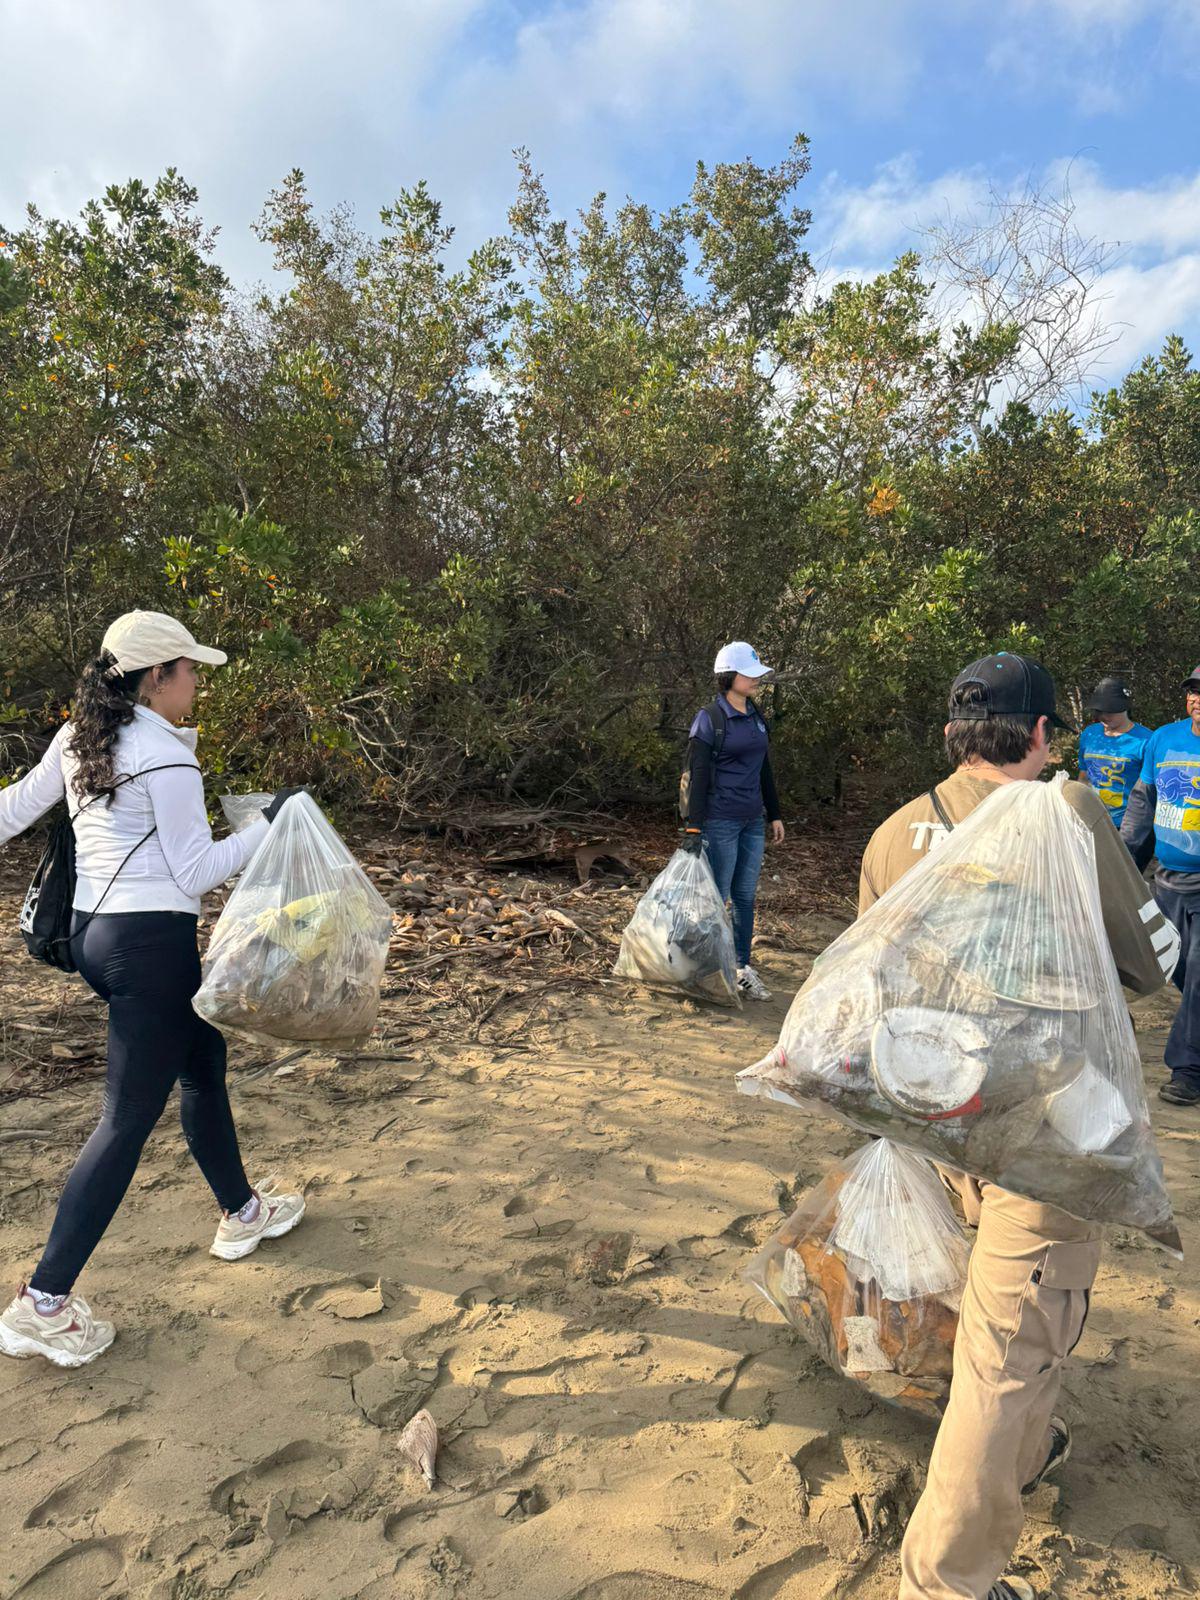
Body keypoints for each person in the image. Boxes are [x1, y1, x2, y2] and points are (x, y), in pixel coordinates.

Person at [858, 651, 1178, 1600]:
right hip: (1048, 1131)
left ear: (955, 737)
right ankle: (946, 1580)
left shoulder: (891, 834)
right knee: (1014, 1341)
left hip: (944, 1123)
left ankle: (1026, 1456)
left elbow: (872, 991)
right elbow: (1149, 964)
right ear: (1043, 735)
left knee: (1009, 1316)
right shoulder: (1068, 815)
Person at [0, 611, 306, 1369]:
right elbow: (197, 871)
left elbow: (11, 810)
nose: (198, 682)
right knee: (127, 1118)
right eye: (190, 669)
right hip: (150, 949)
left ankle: (241, 1211)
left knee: (200, 1059)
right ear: (156, 677)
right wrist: (274, 820)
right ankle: (43, 1302)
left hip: (96, 941)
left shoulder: (80, 736)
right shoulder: (166, 757)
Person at [680, 641, 785, 1001]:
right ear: (729, 677)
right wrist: (694, 827)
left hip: (751, 821)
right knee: (717, 897)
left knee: (744, 897)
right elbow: (698, 775)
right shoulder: (710, 719)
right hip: (719, 821)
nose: (757, 680)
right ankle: (707, 970)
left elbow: (764, 769)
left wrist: (775, 813)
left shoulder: (755, 715)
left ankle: (741, 967)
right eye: (749, 674)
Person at [1121, 663, 1200, 1106]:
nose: (1197, 699)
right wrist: (1118, 861)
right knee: (1178, 970)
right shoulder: (1163, 740)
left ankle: (1188, 1069)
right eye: (1192, 690)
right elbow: (1141, 805)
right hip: (1167, 882)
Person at [1076, 675, 1151, 831]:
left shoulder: (1146, 740)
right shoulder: (1089, 734)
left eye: (1110, 710)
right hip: (1091, 822)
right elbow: (1084, 775)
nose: (1104, 716)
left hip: (1127, 826)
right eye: (1100, 711)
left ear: (1125, 707)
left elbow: (1151, 788)